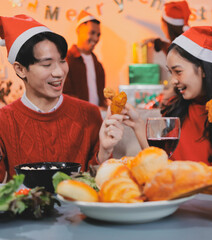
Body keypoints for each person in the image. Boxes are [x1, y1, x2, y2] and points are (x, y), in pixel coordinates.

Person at [0, 14, 124, 182]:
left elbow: (99, 185)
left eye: (62, 61)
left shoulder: (89, 114)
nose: (59, 72)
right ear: (20, 69)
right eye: (46, 64)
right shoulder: (4, 121)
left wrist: (104, 149)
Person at [122, 26, 212, 165]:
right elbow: (159, 165)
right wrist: (137, 124)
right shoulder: (173, 110)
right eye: (171, 72)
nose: (173, 80)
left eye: (178, 72)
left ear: (204, 69)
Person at [63, 10, 106, 108]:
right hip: (76, 119)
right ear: (78, 31)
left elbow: (101, 96)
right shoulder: (66, 61)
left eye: (98, 34)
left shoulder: (98, 65)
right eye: (92, 33)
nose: (96, 38)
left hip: (97, 118)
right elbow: (64, 96)